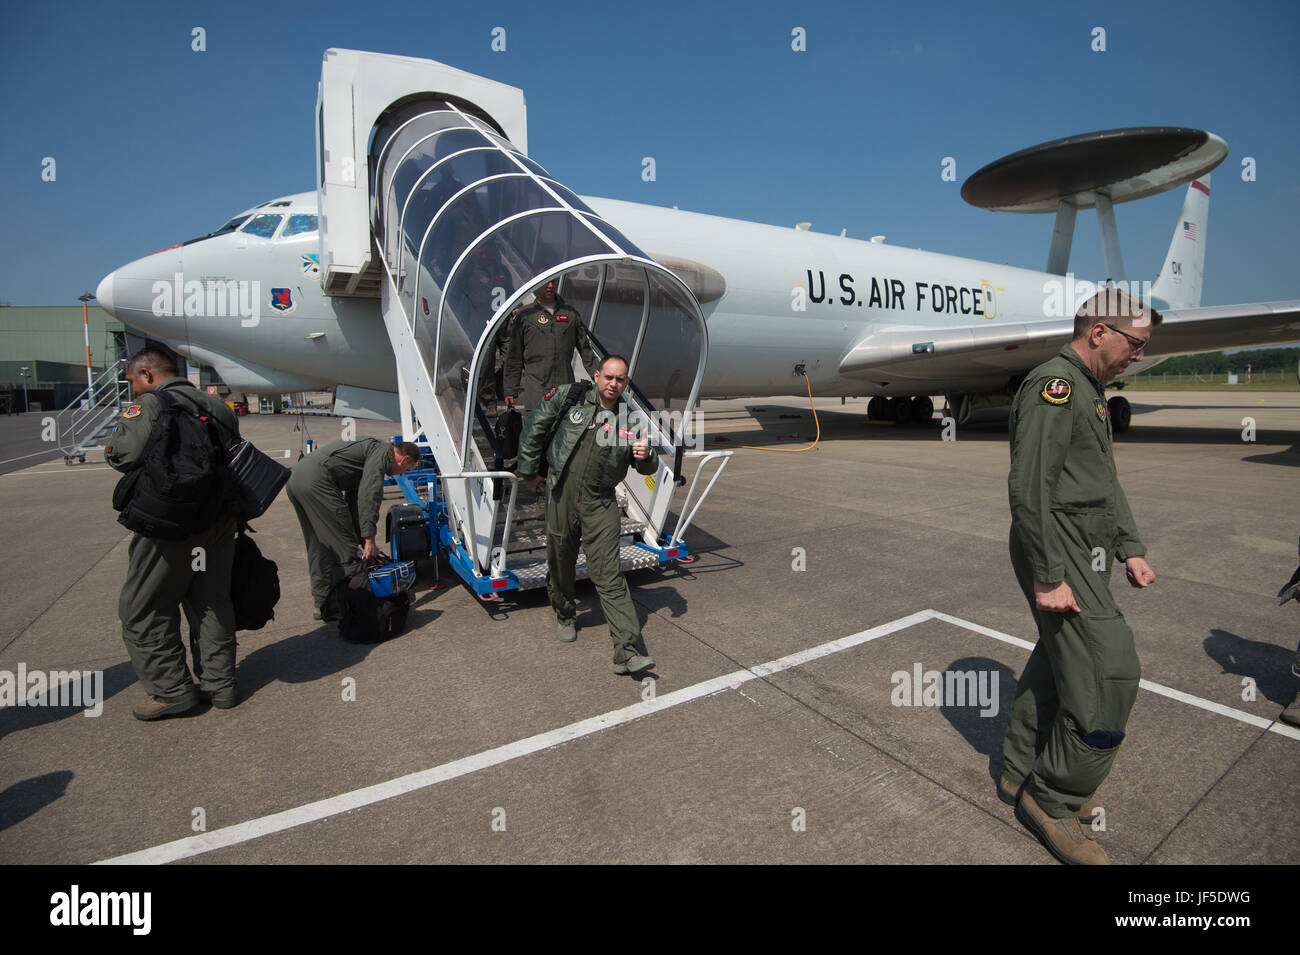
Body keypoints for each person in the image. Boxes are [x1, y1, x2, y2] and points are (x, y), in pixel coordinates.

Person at [997, 288, 1160, 865]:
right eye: (1135, 343)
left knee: (1060, 659)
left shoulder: (1089, 389)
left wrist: (1128, 547)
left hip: (1086, 545)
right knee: (1111, 672)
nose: (1138, 355)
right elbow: (1030, 486)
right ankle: (1055, 800)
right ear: (1099, 332)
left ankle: (1019, 775)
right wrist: (1048, 573)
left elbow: (1101, 479)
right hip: (1058, 547)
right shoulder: (1054, 387)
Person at [106, 348, 242, 720]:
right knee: (211, 601)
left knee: (142, 607)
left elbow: (123, 455)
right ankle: (220, 686)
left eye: (133, 382)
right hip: (218, 520)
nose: (133, 390)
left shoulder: (151, 404)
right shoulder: (217, 407)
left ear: (147, 374)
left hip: (171, 523)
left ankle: (172, 692)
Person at [516, 355, 658, 675]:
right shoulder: (571, 397)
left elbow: (646, 465)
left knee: (608, 573)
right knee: (560, 559)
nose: (613, 384)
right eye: (608, 377)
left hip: (600, 501)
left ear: (625, 383)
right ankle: (565, 614)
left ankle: (626, 651)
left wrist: (646, 456)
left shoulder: (630, 421)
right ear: (597, 376)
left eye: (620, 380)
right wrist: (527, 468)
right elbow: (537, 423)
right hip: (561, 494)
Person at [286, 437, 421, 621]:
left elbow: (354, 499)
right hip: (317, 481)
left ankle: (323, 604)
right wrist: (369, 539)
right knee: (346, 549)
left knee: (320, 544)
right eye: (406, 470)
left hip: (297, 479)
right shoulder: (382, 454)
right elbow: (369, 495)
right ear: (403, 460)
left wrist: (362, 535)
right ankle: (351, 606)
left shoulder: (370, 452)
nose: (400, 474)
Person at [504, 277, 597, 413]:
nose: (550, 286)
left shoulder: (570, 314)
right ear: (536, 284)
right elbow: (514, 355)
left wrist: (602, 375)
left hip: (565, 389)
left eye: (554, 282)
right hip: (535, 390)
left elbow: (586, 350)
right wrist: (510, 389)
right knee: (533, 432)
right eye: (546, 282)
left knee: (563, 432)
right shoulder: (525, 316)